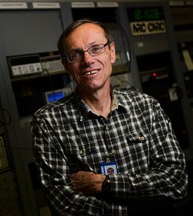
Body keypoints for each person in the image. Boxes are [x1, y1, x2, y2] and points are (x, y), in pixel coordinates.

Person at [31, 18, 188, 215]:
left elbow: (176, 183)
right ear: (66, 65)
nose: (88, 60)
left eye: (95, 48)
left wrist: (106, 184)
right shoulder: (48, 122)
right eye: (76, 54)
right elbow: (65, 206)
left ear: (111, 52)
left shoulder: (147, 106)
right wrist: (141, 205)